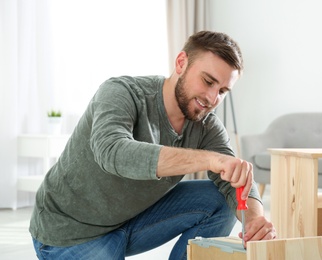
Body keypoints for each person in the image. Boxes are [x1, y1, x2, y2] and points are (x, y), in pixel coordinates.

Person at [30, 30, 276, 260]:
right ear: (181, 63)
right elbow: (112, 151)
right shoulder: (122, 92)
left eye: (222, 91)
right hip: (71, 233)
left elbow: (231, 180)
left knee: (219, 198)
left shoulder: (206, 125)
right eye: (208, 81)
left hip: (132, 222)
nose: (213, 99)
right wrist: (209, 159)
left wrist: (255, 221)